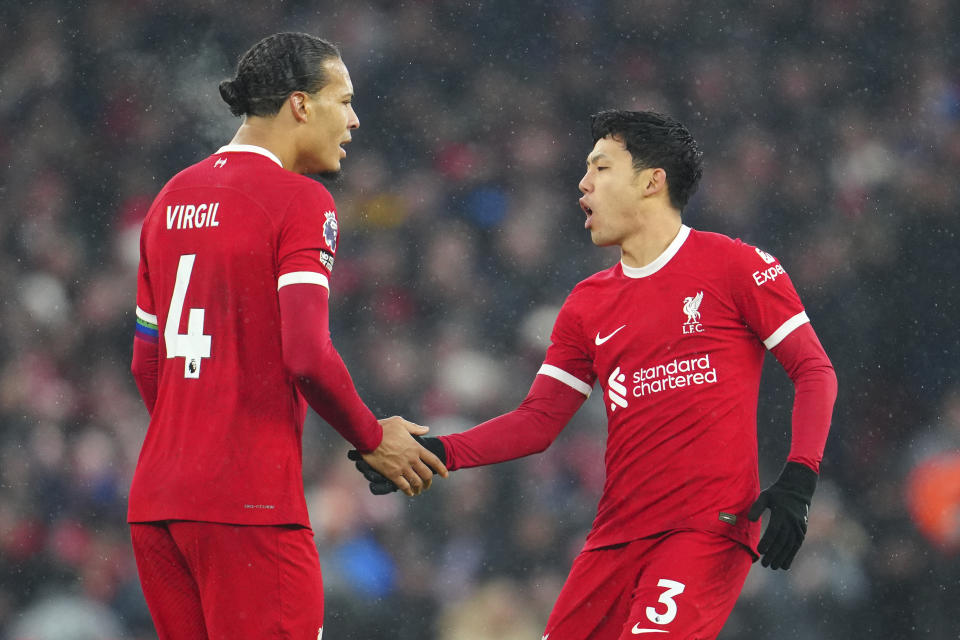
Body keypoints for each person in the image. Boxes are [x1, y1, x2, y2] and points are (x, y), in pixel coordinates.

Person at [352, 110, 838, 639]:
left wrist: (799, 477)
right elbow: (538, 421)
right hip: (612, 540)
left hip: (704, 531)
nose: (582, 183)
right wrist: (439, 451)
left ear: (653, 181)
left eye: (601, 169)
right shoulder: (587, 304)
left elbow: (813, 369)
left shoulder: (736, 266)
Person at [128, 32, 447, 640]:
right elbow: (305, 354)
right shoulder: (301, 201)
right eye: (344, 100)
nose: (354, 119)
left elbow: (148, 366)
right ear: (301, 105)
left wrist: (194, 448)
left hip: (158, 505)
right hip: (249, 507)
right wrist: (373, 436)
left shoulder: (168, 200)